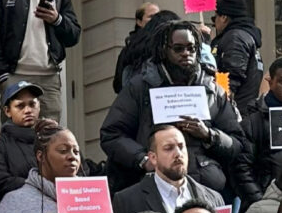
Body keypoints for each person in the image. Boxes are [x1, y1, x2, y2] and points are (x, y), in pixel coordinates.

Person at [101, 21, 254, 201]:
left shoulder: (212, 90)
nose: (186, 54)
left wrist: (209, 135)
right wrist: (143, 160)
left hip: (204, 188)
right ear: (163, 51)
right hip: (153, 188)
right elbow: (111, 134)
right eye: (178, 49)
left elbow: (237, 143)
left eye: (191, 48)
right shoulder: (140, 87)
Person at [110, 122, 228, 213]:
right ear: (153, 158)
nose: (178, 154)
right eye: (168, 148)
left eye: (181, 147)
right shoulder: (126, 201)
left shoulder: (214, 198)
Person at [241, 56, 282, 189]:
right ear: (270, 83)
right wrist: (261, 200)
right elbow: (242, 169)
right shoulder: (253, 122)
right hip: (270, 199)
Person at [0, 78, 44, 203]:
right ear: (7, 111)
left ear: (39, 106)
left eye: (32, 104)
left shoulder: (54, 139)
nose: (28, 110)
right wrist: (40, 186)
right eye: (20, 106)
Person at [212, 0, 264, 109]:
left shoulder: (235, 38)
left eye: (215, 18)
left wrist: (221, 107)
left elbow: (229, 78)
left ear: (224, 17)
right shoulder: (246, 37)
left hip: (236, 112)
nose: (214, 23)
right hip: (245, 108)